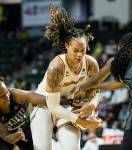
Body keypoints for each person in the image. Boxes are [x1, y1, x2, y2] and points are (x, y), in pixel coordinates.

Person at [30, 4, 102, 150]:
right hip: (45, 104)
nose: (80, 55)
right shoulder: (56, 67)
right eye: (75, 50)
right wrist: (80, 121)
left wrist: (93, 103)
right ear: (66, 45)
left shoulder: (91, 64)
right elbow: (53, 106)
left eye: (83, 50)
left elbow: (96, 90)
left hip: (68, 104)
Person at [73, 31, 132, 150]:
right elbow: (120, 84)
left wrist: (80, 88)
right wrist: (96, 88)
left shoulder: (118, 60)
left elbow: (95, 80)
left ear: (124, 45)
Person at [0, 77, 47, 150]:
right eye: (2, 96)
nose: (7, 96)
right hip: (12, 137)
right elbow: (5, 136)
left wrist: (66, 102)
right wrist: (15, 138)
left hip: (29, 129)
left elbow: (42, 99)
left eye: (7, 92)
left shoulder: (15, 94)